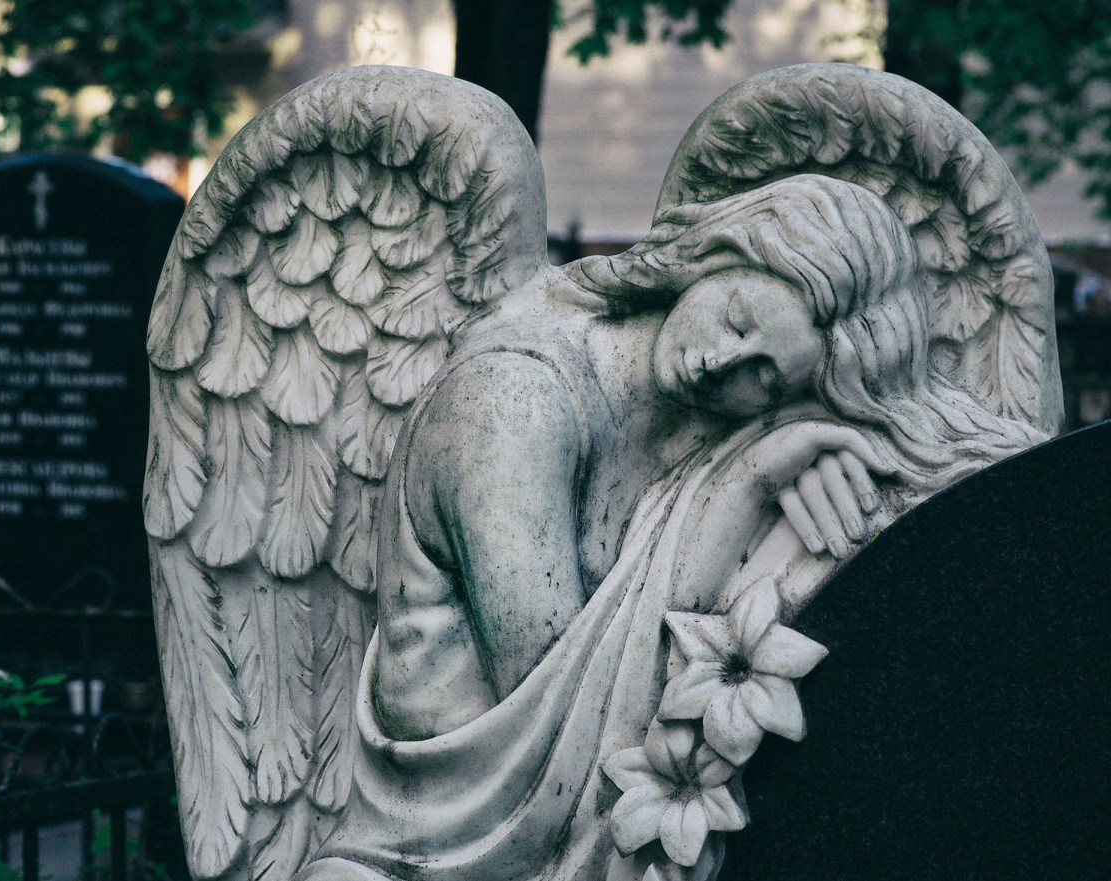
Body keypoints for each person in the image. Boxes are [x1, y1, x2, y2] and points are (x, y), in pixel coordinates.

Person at [299, 174, 1044, 881]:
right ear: (725, 252)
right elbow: (566, 739)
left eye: (766, 378)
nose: (721, 363)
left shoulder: (701, 428)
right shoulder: (513, 403)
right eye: (737, 317)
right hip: (450, 842)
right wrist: (749, 485)